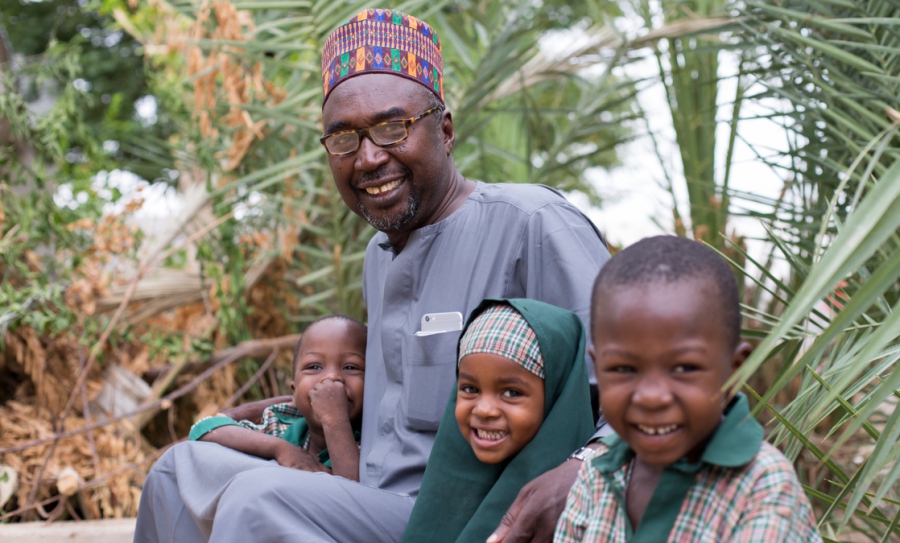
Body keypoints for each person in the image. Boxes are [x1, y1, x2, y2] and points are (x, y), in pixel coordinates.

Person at [134, 8, 611, 543]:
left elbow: (627, 382)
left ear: (445, 130)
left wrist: (582, 470)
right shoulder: (377, 255)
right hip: (362, 493)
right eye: (343, 139)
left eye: (392, 128)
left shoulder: (532, 223)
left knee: (255, 498)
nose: (367, 158)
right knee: (179, 469)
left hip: (454, 516)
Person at [553, 236, 820, 542]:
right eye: (624, 369)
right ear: (598, 368)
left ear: (735, 371)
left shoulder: (762, 486)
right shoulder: (598, 473)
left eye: (684, 369)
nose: (652, 397)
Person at [403, 299, 595, 543]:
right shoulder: (445, 489)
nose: (484, 410)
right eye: (470, 389)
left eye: (512, 393)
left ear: (556, 397)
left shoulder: (579, 513)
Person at [188, 315, 366, 479]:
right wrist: (279, 448)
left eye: (350, 367)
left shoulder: (370, 444)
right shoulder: (282, 426)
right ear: (294, 392)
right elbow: (203, 429)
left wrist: (334, 420)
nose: (332, 377)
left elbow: (353, 494)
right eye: (314, 367)